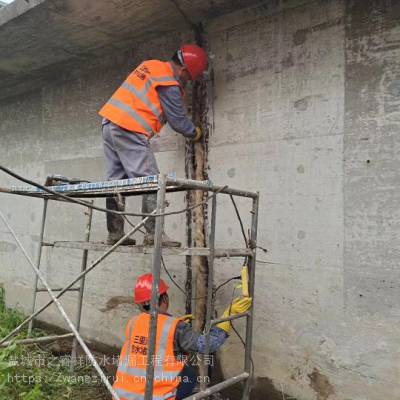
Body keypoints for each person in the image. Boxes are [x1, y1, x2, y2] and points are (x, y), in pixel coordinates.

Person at [98, 45, 208, 247]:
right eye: (189, 78)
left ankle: (115, 234)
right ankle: (153, 235)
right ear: (184, 71)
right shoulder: (169, 82)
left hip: (109, 124)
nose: (187, 82)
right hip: (129, 128)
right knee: (152, 181)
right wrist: (196, 132)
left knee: (116, 183)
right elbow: (178, 120)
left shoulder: (151, 65)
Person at [112, 273, 252, 400]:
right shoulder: (174, 328)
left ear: (140, 304)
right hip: (154, 397)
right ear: (165, 298)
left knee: (184, 370)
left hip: (122, 395)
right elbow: (207, 345)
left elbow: (153, 340)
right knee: (189, 376)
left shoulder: (133, 322)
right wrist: (228, 315)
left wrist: (177, 328)